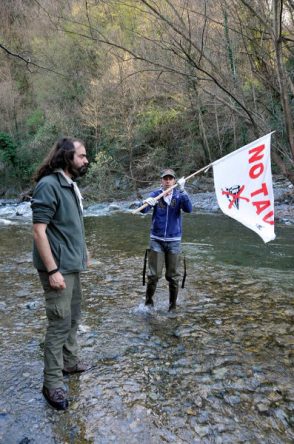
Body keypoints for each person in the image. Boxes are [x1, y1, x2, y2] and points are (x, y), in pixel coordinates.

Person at [31, 137, 90, 411]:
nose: (85, 160)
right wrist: (53, 270)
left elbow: (71, 226)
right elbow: (39, 231)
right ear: (67, 157)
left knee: (73, 317)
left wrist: (83, 252)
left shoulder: (70, 185)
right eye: (81, 156)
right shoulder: (48, 186)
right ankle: (51, 383)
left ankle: (69, 361)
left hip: (72, 264)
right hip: (58, 268)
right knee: (58, 323)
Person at [141, 168, 192, 311]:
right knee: (153, 276)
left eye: (170, 178)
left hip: (174, 241)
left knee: (173, 276)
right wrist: (147, 202)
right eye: (165, 178)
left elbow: (189, 209)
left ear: (174, 181)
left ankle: (172, 306)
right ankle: (148, 303)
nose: (168, 181)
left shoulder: (179, 195)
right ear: (161, 181)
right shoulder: (156, 195)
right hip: (156, 240)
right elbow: (143, 210)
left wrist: (183, 191)